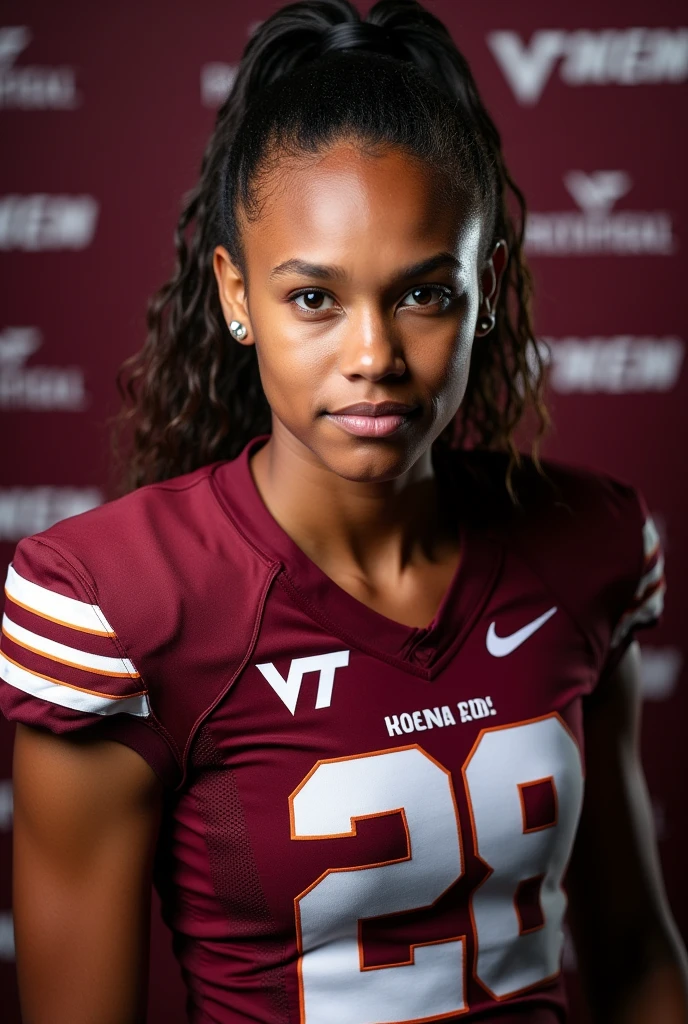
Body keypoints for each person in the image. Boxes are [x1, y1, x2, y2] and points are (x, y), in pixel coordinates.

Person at [1, 1, 686, 1021]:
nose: (372, 355)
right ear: (236, 295)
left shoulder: (587, 545)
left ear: (484, 287)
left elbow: (634, 960)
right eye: (313, 299)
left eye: (422, 294)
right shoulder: (114, 606)